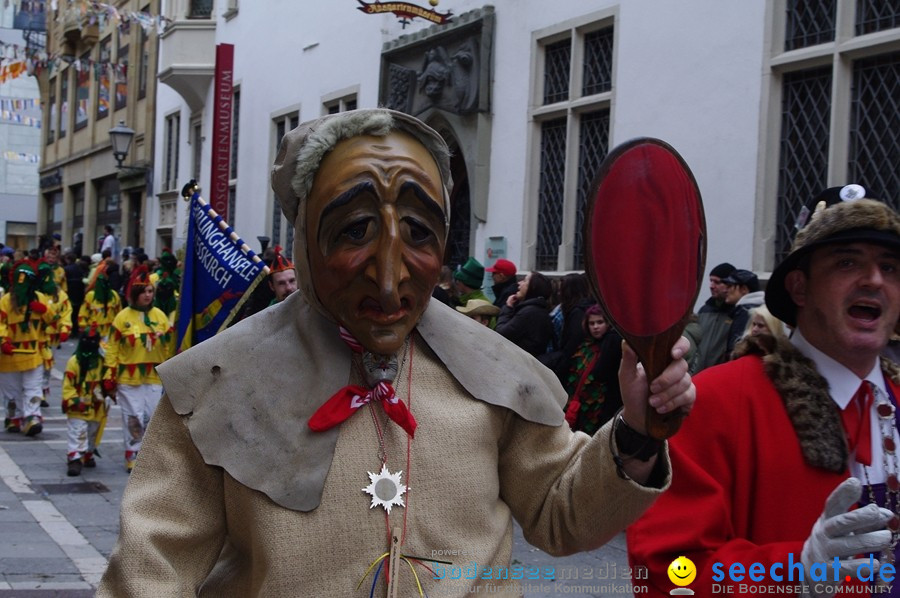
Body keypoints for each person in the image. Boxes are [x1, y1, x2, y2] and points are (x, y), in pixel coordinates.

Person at [98, 108, 695, 597]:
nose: (389, 281)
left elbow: (562, 516)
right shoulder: (218, 386)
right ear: (305, 239)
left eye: (418, 233)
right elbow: (151, 577)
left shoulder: (495, 372)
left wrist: (637, 433)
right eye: (353, 231)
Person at [627, 186, 900, 597]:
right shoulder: (714, 400)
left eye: (891, 267)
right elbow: (667, 569)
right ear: (799, 288)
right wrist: (793, 572)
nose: (875, 280)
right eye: (847, 262)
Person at [102, 266, 174, 472]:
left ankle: (148, 455)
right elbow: (112, 347)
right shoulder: (122, 317)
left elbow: (171, 346)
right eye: (144, 291)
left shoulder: (160, 316)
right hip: (128, 377)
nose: (148, 295)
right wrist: (109, 373)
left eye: (150, 291)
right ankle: (132, 453)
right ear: (134, 293)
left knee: (151, 416)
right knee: (132, 415)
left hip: (153, 376)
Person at [0, 260, 53, 436]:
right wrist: (3, 340)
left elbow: (53, 321)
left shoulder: (40, 297)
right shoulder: (6, 301)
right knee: (11, 390)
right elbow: (1, 323)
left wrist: (44, 310)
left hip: (33, 353)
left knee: (33, 387)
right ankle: (13, 417)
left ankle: (32, 417)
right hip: (10, 354)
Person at [562, 304, 623, 435]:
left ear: (607, 323)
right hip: (578, 402)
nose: (595, 327)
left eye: (600, 322)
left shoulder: (612, 344)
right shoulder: (585, 346)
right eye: (592, 323)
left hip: (601, 407)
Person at [62, 325, 110, 477]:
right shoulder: (73, 362)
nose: (90, 343)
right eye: (87, 340)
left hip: (96, 405)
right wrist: (75, 400)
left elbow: (107, 377)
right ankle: (75, 458)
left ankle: (88, 453)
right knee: (77, 431)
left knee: (92, 432)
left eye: (93, 340)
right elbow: (67, 385)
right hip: (78, 406)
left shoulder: (102, 360)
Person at [37, 260, 71, 406]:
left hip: (53, 337)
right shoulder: (34, 294)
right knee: (37, 365)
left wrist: (65, 329)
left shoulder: (60, 295)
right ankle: (35, 391)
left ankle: (43, 391)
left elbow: (66, 313)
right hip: (36, 337)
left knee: (48, 365)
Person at [693, 261, 736, 372]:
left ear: (729, 285)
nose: (711, 286)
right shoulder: (703, 311)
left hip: (720, 376)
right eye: (711, 281)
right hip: (697, 375)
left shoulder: (737, 314)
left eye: (717, 282)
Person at [721, 267, 763, 356]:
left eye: (730, 286)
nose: (725, 290)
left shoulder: (745, 312)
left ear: (744, 289)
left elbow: (735, 349)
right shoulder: (757, 309)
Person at [78, 262, 122, 341]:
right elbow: (83, 312)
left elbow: (119, 313)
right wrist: (83, 327)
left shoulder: (114, 295)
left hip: (109, 332)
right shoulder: (91, 296)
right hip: (93, 331)